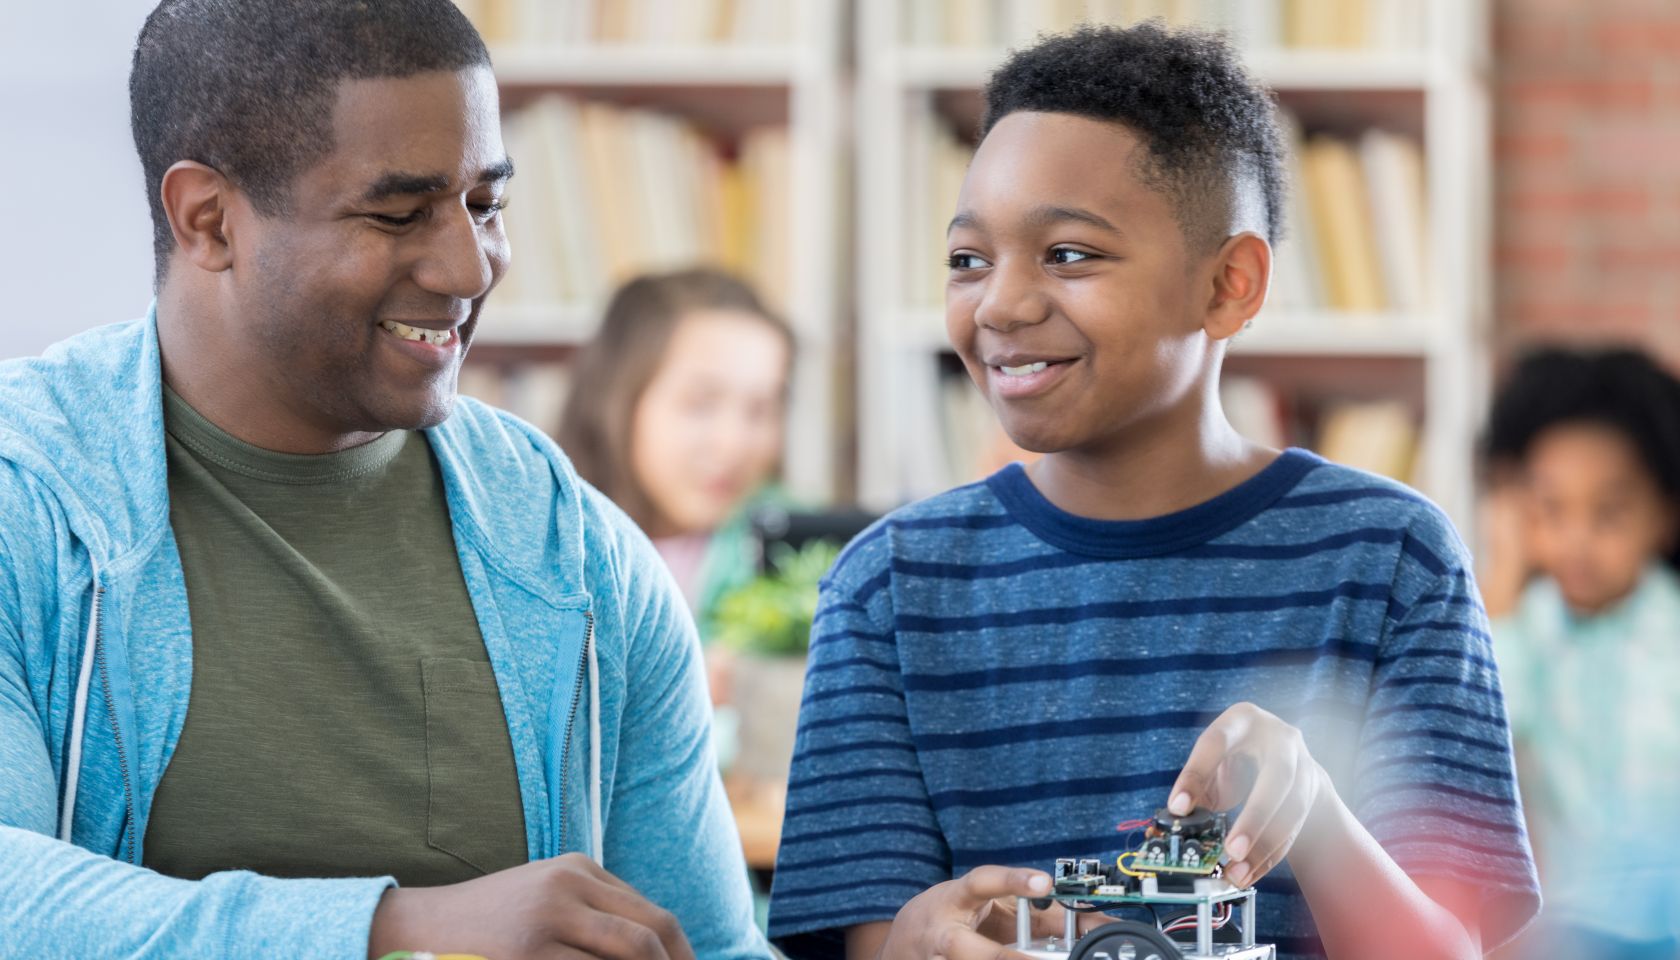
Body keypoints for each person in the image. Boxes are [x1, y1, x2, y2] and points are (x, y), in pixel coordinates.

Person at [0, 3, 767, 958]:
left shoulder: (580, 556)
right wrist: (398, 926)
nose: (469, 268)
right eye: (399, 215)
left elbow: (710, 947)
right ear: (209, 219)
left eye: (486, 205)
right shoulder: (27, 502)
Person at [766, 22, 1539, 960]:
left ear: (1228, 284)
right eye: (969, 259)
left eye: (1068, 254)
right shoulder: (886, 589)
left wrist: (1317, 814)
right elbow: (872, 941)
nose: (1000, 304)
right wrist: (907, 946)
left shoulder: (1392, 559)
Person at [1481, 348, 1680, 960]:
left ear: (1665, 513)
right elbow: (1487, 731)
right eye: (1550, 509)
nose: (1576, 541)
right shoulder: (1526, 626)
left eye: (1609, 513)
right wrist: (1505, 577)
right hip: (1565, 927)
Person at [557, 268, 795, 633]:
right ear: (616, 402)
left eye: (761, 409)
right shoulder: (538, 551)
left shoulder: (800, 557)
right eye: (700, 404)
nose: (732, 444)